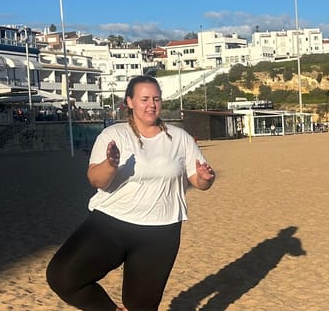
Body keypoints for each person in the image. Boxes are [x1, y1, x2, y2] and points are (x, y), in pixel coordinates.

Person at [47, 75, 216, 311]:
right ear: (130, 102)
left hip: (160, 232)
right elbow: (96, 180)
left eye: (156, 99)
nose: (151, 105)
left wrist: (206, 178)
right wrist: (111, 164)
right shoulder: (113, 135)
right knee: (63, 277)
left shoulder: (180, 139)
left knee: (141, 305)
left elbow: (198, 180)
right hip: (110, 224)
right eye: (144, 99)